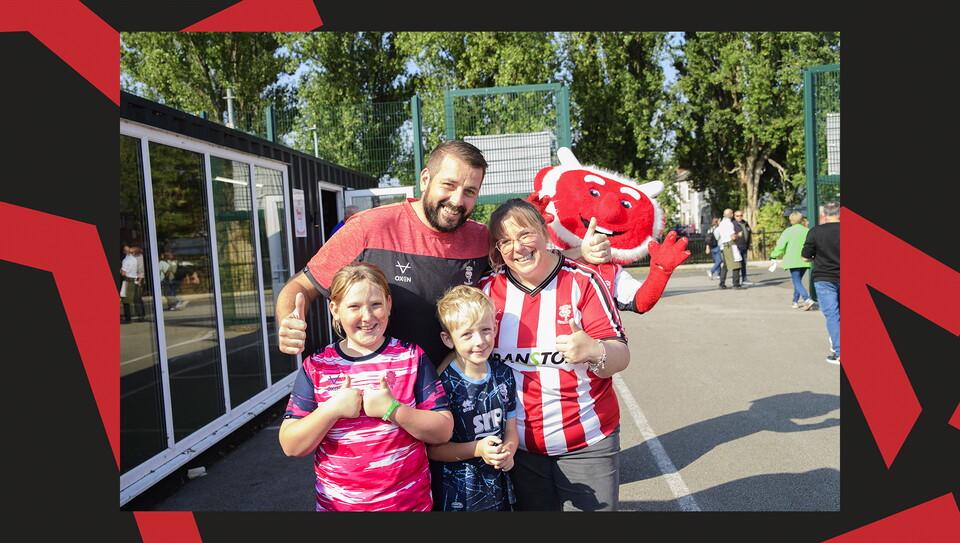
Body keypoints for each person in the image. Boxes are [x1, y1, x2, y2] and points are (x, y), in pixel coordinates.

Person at [275, 140, 612, 367]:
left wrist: (582, 251)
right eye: (448, 186)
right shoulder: (369, 227)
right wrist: (288, 320)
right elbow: (299, 287)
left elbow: (527, 258)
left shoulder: (481, 237)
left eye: (469, 192)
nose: (457, 201)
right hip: (381, 391)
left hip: (449, 388)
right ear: (426, 179)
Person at [479, 198, 630, 511]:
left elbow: (622, 355)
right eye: (505, 241)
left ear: (545, 234)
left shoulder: (583, 282)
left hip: (587, 442)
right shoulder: (487, 291)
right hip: (518, 450)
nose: (517, 248)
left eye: (525, 235)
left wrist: (594, 350)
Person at [278, 262, 454, 511]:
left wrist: (392, 409)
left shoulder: (412, 358)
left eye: (376, 304)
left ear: (389, 305)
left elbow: (443, 430)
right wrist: (331, 410)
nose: (367, 316)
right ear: (335, 310)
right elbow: (291, 445)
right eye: (354, 307)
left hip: (409, 505)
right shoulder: (317, 366)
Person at [428, 285, 518, 511]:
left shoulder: (504, 374)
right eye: (467, 334)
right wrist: (477, 449)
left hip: (498, 491)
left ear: (495, 328)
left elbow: (511, 430)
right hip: (459, 496)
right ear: (448, 339)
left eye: (485, 330)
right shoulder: (442, 385)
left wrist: (508, 451)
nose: (479, 341)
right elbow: (434, 450)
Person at [802, 201, 841, 365]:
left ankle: (840, 351)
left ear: (823, 214)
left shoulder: (815, 232)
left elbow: (805, 257)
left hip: (824, 277)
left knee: (832, 314)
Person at [769, 212, 814, 310]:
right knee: (798, 281)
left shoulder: (788, 231)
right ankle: (795, 301)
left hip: (793, 260)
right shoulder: (807, 231)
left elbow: (780, 246)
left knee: (796, 281)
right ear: (801, 219)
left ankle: (807, 299)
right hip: (805, 260)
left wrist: (773, 256)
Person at [714, 209, 742, 289]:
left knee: (725, 266)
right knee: (736, 264)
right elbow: (733, 236)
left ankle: (722, 283)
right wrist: (738, 235)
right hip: (730, 245)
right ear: (731, 214)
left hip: (724, 245)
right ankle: (736, 284)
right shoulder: (729, 224)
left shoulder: (721, 223)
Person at [120, 243, 145, 322]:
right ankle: (140, 314)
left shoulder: (130, 260)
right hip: (135, 279)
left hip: (131, 279)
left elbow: (124, 273)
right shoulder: (134, 259)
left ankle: (131, 317)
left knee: (127, 299)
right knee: (136, 298)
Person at [733, 210, 753, 285]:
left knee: (744, 263)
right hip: (737, 247)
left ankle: (744, 279)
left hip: (744, 246)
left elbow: (749, 234)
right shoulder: (733, 224)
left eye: (741, 215)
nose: (739, 217)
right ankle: (736, 280)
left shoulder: (745, 223)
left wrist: (750, 245)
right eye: (737, 216)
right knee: (737, 264)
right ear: (735, 216)